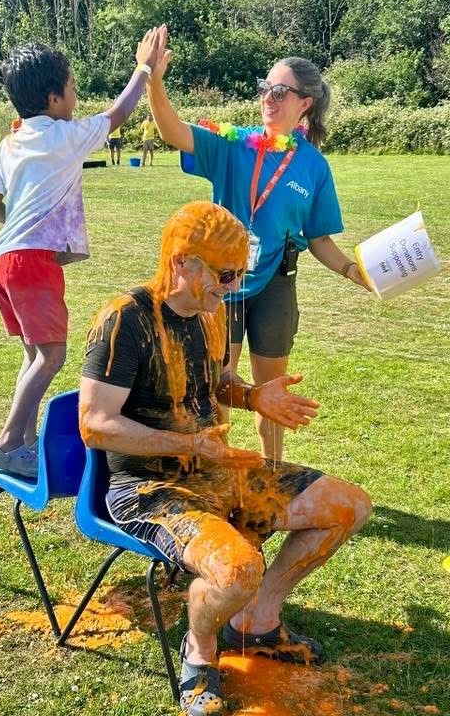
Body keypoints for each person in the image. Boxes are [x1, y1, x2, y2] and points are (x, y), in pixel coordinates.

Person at [79, 200, 372, 716]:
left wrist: (254, 396)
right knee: (238, 570)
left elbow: (215, 383)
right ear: (182, 261)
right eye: (226, 274)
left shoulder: (209, 314)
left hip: (219, 470)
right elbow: (95, 424)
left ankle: (257, 622)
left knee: (349, 506)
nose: (234, 286)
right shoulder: (125, 319)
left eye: (241, 272)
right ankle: (200, 649)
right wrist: (190, 445)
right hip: (150, 490)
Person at [147, 45, 370, 461]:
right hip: (222, 283)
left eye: (280, 91)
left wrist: (350, 270)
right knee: (218, 385)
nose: (269, 97)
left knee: (271, 389)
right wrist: (153, 80)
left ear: (305, 104)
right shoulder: (233, 144)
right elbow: (172, 131)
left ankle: (273, 472)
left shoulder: (313, 166)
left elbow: (319, 238)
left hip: (275, 286)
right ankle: (218, 468)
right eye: (265, 87)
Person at [0, 26, 166, 478]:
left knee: (33, 355)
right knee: (52, 356)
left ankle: (25, 445)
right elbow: (118, 113)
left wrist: (24, 229)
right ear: (53, 98)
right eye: (72, 87)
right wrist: (143, 68)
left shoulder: (10, 142)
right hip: (31, 262)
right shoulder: (64, 135)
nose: (76, 96)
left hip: (2, 260)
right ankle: (6, 443)